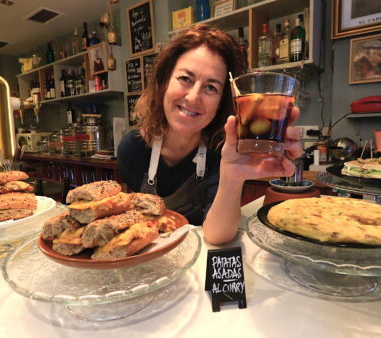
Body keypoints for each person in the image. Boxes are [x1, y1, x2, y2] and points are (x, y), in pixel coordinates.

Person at [117, 24, 303, 245]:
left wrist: (232, 177)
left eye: (211, 87)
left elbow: (217, 236)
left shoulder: (222, 152)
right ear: (164, 81)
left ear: (221, 102)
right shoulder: (132, 149)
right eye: (185, 78)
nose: (194, 97)